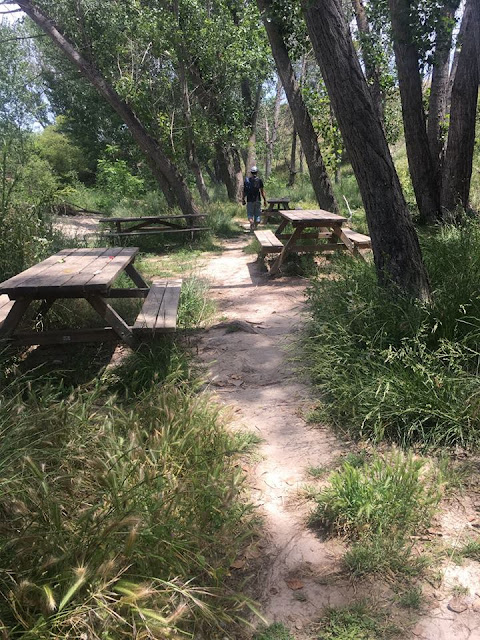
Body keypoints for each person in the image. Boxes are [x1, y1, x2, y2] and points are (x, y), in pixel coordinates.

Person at [242, 166, 267, 231]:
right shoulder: (259, 180)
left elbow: (244, 191)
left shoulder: (247, 181)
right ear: (257, 172)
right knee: (257, 214)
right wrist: (264, 200)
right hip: (257, 199)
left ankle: (252, 223)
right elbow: (262, 191)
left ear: (251, 172)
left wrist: (243, 199)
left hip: (249, 200)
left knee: (250, 214)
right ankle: (255, 226)